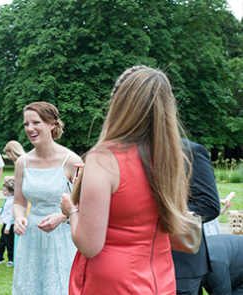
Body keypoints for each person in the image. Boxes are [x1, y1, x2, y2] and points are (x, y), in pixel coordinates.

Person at [61, 66, 192, 294]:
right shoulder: (171, 159)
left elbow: (90, 245)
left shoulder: (105, 158)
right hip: (161, 278)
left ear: (119, 103)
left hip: (112, 283)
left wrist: (71, 211)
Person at [12, 101, 83, 295]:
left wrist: (61, 216)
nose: (30, 128)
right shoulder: (22, 162)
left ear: (52, 124)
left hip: (62, 236)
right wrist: (19, 217)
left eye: (36, 122)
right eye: (26, 124)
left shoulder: (72, 161)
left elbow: (83, 204)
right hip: (31, 237)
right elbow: (19, 202)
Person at [172, 139, 220, 295]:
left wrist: (160, 217)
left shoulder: (189, 151)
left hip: (181, 264)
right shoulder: (123, 151)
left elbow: (208, 205)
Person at [0, 180, 15, 267]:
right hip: (5, 223)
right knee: (2, 241)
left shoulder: (12, 202)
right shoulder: (9, 199)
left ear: (11, 192)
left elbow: (11, 216)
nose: (3, 192)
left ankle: (11, 259)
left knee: (9, 242)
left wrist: (7, 228)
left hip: (9, 225)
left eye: (5, 190)